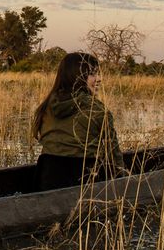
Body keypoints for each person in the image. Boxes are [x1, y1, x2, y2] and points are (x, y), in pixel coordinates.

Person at [32, 51, 128, 191]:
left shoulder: (46, 106)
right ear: (77, 77)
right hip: (82, 182)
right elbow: (114, 157)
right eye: (93, 74)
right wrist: (126, 182)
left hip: (45, 180)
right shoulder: (97, 109)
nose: (99, 78)